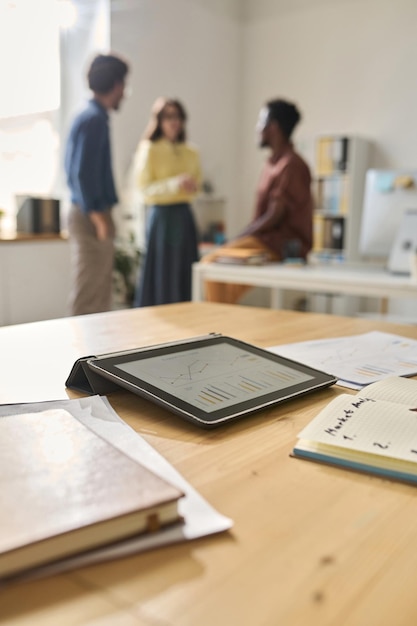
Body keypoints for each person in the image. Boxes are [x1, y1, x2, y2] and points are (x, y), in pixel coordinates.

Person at [202, 98, 314, 304]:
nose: (257, 128)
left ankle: (219, 326)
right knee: (219, 276)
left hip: (278, 246)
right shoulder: (273, 163)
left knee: (211, 264)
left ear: (273, 127)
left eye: (260, 122)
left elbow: (275, 214)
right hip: (264, 242)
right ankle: (222, 327)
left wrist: (239, 237)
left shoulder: (291, 165)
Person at [65, 52, 129, 316]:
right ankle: (77, 357)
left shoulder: (91, 116)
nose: (125, 93)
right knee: (90, 296)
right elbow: (83, 174)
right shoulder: (94, 119)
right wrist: (100, 218)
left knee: (97, 294)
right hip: (91, 214)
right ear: (115, 85)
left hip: (90, 212)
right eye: (124, 85)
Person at [133, 97, 202, 307]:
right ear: (159, 120)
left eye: (178, 117)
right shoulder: (149, 150)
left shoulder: (191, 151)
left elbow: (197, 184)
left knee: (185, 270)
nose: (174, 122)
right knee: (163, 271)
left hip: (184, 215)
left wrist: (190, 186)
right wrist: (174, 184)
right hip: (162, 217)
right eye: (169, 117)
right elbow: (144, 189)